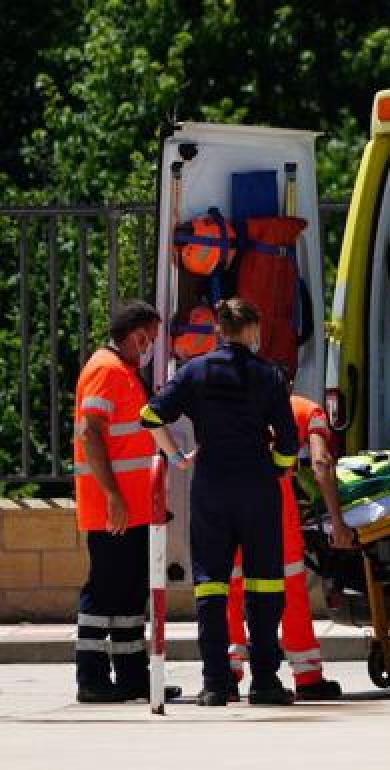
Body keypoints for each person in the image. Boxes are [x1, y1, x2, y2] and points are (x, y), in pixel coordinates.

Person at [140, 298, 297, 707]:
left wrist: (175, 457)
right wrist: (278, 469)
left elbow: (151, 416)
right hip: (257, 485)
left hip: (210, 484)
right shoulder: (268, 375)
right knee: (265, 584)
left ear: (220, 331)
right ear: (250, 331)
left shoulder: (195, 371)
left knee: (211, 586)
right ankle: (264, 681)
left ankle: (215, 684)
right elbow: (288, 440)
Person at [72, 299, 183, 703]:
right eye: (151, 337)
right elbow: (91, 433)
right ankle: (93, 678)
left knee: (129, 596)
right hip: (113, 510)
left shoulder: (123, 372)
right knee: (105, 593)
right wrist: (114, 496)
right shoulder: (105, 370)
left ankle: (134, 677)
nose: (153, 345)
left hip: (133, 510)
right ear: (137, 334)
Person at [225, 388, 349, 701]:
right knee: (291, 592)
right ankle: (307, 675)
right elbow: (321, 462)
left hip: (231, 506)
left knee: (233, 589)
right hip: (276, 512)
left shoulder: (232, 403)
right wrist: (336, 520)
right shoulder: (306, 409)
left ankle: (226, 673)